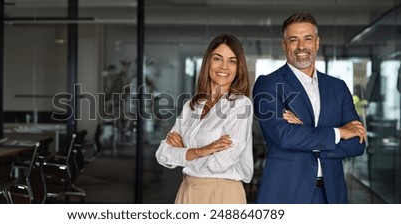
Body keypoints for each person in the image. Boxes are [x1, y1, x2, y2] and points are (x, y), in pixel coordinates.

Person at [252, 12, 367, 204]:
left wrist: (304, 137)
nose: (301, 46)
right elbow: (284, 136)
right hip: (286, 194)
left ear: (317, 42)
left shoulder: (337, 88)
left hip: (331, 196)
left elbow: (357, 143)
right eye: (293, 40)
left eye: (308, 38)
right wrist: (339, 133)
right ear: (284, 45)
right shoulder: (268, 85)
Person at [155, 33, 254, 204]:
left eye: (232, 61)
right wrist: (202, 150)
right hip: (186, 191)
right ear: (208, 62)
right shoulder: (191, 106)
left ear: (238, 68)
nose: (224, 66)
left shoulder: (240, 105)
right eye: (218, 59)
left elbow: (219, 164)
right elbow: (162, 154)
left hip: (221, 193)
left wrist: (184, 152)